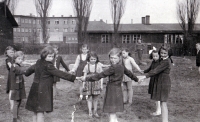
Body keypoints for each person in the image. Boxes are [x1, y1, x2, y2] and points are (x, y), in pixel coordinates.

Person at [81, 48, 141, 122]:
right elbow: (129, 73)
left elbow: (100, 75)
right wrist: (137, 79)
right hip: (117, 90)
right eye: (111, 58)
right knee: (113, 113)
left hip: (112, 90)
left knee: (111, 113)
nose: (113, 60)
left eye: (115, 58)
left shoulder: (113, 67)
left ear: (120, 58)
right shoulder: (121, 66)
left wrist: (86, 79)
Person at [24, 46, 81, 122]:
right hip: (43, 90)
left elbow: (30, 70)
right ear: (44, 55)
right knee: (41, 111)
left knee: (35, 110)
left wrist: (25, 72)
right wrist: (74, 77)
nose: (51, 58)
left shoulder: (38, 62)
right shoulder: (49, 65)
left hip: (35, 88)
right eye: (49, 56)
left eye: (52, 57)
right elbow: (60, 73)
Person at [140, 45, 173, 122]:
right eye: (161, 53)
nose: (163, 54)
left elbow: (156, 70)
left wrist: (145, 76)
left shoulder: (166, 61)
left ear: (168, 54)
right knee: (162, 102)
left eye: (165, 53)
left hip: (164, 82)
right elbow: (153, 68)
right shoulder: (162, 59)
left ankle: (165, 120)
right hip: (160, 81)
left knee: (163, 103)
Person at [82, 51, 103, 118]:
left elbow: (101, 77)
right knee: (89, 99)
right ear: (88, 59)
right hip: (88, 84)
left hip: (96, 84)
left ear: (96, 59)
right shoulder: (86, 66)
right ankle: (90, 112)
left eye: (94, 59)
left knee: (95, 99)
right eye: (91, 59)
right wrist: (83, 85)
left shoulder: (99, 66)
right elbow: (84, 77)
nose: (93, 60)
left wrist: (101, 85)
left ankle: (95, 112)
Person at [10, 51, 26, 122]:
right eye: (19, 59)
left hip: (20, 86)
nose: (21, 60)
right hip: (16, 87)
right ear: (14, 59)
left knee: (19, 101)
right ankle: (14, 118)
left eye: (22, 59)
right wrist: (26, 68)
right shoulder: (14, 66)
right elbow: (20, 70)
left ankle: (16, 115)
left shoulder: (18, 65)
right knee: (16, 102)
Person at [143, 49, 161, 116]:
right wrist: (144, 71)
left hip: (157, 80)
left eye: (156, 56)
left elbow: (155, 71)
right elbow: (150, 68)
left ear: (159, 55)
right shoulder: (153, 62)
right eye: (154, 56)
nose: (155, 57)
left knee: (157, 97)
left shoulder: (160, 63)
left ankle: (158, 110)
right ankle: (158, 109)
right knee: (156, 97)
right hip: (153, 79)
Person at [4, 46, 15, 112]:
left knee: (15, 89)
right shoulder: (8, 59)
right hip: (11, 76)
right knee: (11, 90)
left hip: (15, 75)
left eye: (13, 52)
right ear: (7, 53)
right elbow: (10, 66)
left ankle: (15, 104)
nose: (12, 53)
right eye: (10, 52)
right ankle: (12, 105)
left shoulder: (14, 58)